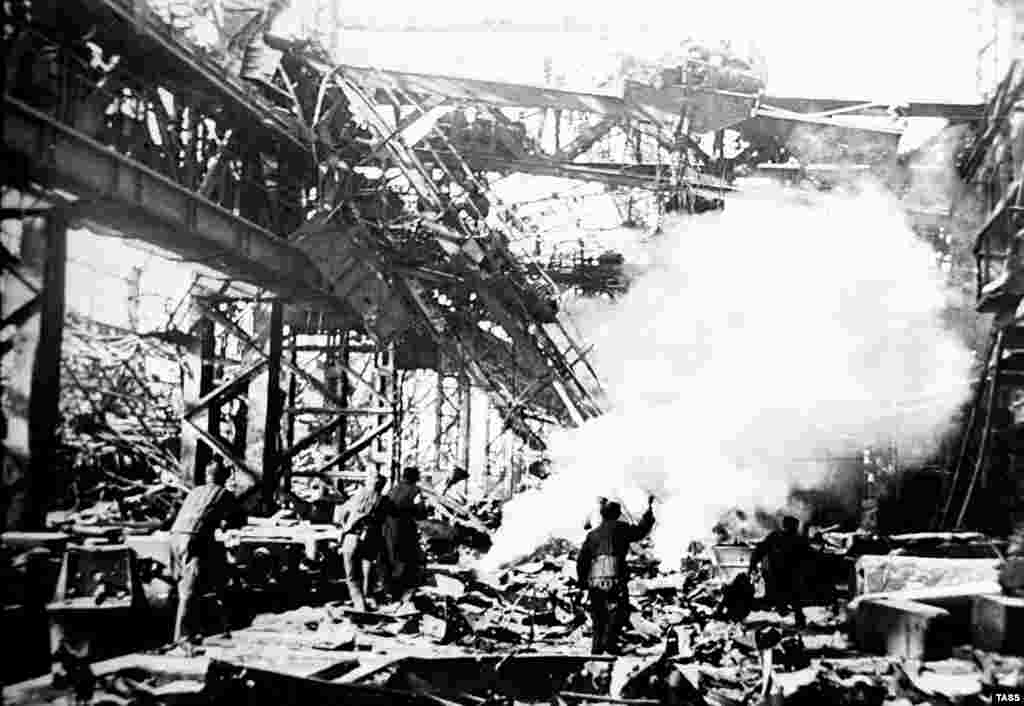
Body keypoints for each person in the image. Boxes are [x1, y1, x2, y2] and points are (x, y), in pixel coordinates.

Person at [168, 459, 245, 645]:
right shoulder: (223, 493)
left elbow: (177, 515)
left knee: (186, 586)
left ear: (206, 475)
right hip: (194, 539)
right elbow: (238, 520)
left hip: (175, 537)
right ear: (224, 477)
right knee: (190, 590)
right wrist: (224, 522)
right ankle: (182, 638)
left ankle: (199, 628)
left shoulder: (194, 492)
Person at [576, 497, 655, 655]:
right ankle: (610, 644)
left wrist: (583, 582)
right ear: (618, 514)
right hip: (615, 578)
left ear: (602, 514)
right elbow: (641, 531)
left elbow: (582, 561)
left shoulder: (592, 535)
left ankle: (597, 649)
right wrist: (649, 513)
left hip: (594, 580)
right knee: (621, 612)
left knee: (599, 616)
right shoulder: (622, 528)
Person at [336, 473, 388, 611]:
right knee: (367, 570)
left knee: (352, 575)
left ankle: (359, 603)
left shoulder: (357, 496)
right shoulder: (384, 501)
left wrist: (347, 523)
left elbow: (339, 516)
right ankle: (369, 598)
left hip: (352, 537)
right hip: (371, 538)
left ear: (368, 483)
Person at [748, 516, 811, 628]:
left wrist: (753, 565)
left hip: (786, 575)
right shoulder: (779, 537)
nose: (792, 529)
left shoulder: (789, 538)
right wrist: (753, 565)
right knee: (787, 599)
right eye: (791, 526)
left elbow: (759, 550)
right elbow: (760, 550)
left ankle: (793, 616)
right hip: (779, 574)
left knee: (792, 599)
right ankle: (788, 613)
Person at [382, 467, 428, 604]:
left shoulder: (393, 489)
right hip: (405, 529)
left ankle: (389, 592)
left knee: (390, 558)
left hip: (387, 528)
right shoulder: (415, 491)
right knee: (404, 560)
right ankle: (400, 594)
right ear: (415, 478)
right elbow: (421, 512)